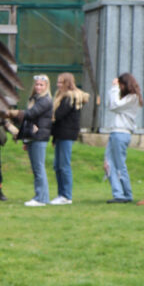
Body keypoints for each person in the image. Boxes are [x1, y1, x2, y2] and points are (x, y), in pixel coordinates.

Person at [7, 74, 53, 207]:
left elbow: (31, 114)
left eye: (41, 85)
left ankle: (41, 198)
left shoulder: (45, 100)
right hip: (33, 137)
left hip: (39, 137)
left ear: (46, 86)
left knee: (39, 168)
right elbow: (29, 119)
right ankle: (41, 196)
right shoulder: (35, 99)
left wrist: (13, 113)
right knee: (36, 168)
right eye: (37, 84)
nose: (38, 87)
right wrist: (25, 140)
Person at [49, 73, 90, 205]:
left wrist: (49, 116)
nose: (58, 85)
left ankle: (66, 195)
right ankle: (61, 194)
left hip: (67, 134)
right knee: (57, 165)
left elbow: (59, 115)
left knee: (64, 165)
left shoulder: (69, 98)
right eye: (58, 82)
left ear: (67, 83)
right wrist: (54, 138)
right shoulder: (61, 96)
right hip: (60, 134)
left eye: (61, 82)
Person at [105, 73, 143, 204]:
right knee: (109, 164)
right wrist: (114, 90)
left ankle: (125, 194)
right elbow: (111, 105)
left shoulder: (133, 98)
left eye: (120, 85)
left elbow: (114, 105)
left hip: (121, 134)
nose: (119, 87)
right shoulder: (127, 98)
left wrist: (114, 88)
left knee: (119, 165)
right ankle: (119, 193)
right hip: (115, 132)